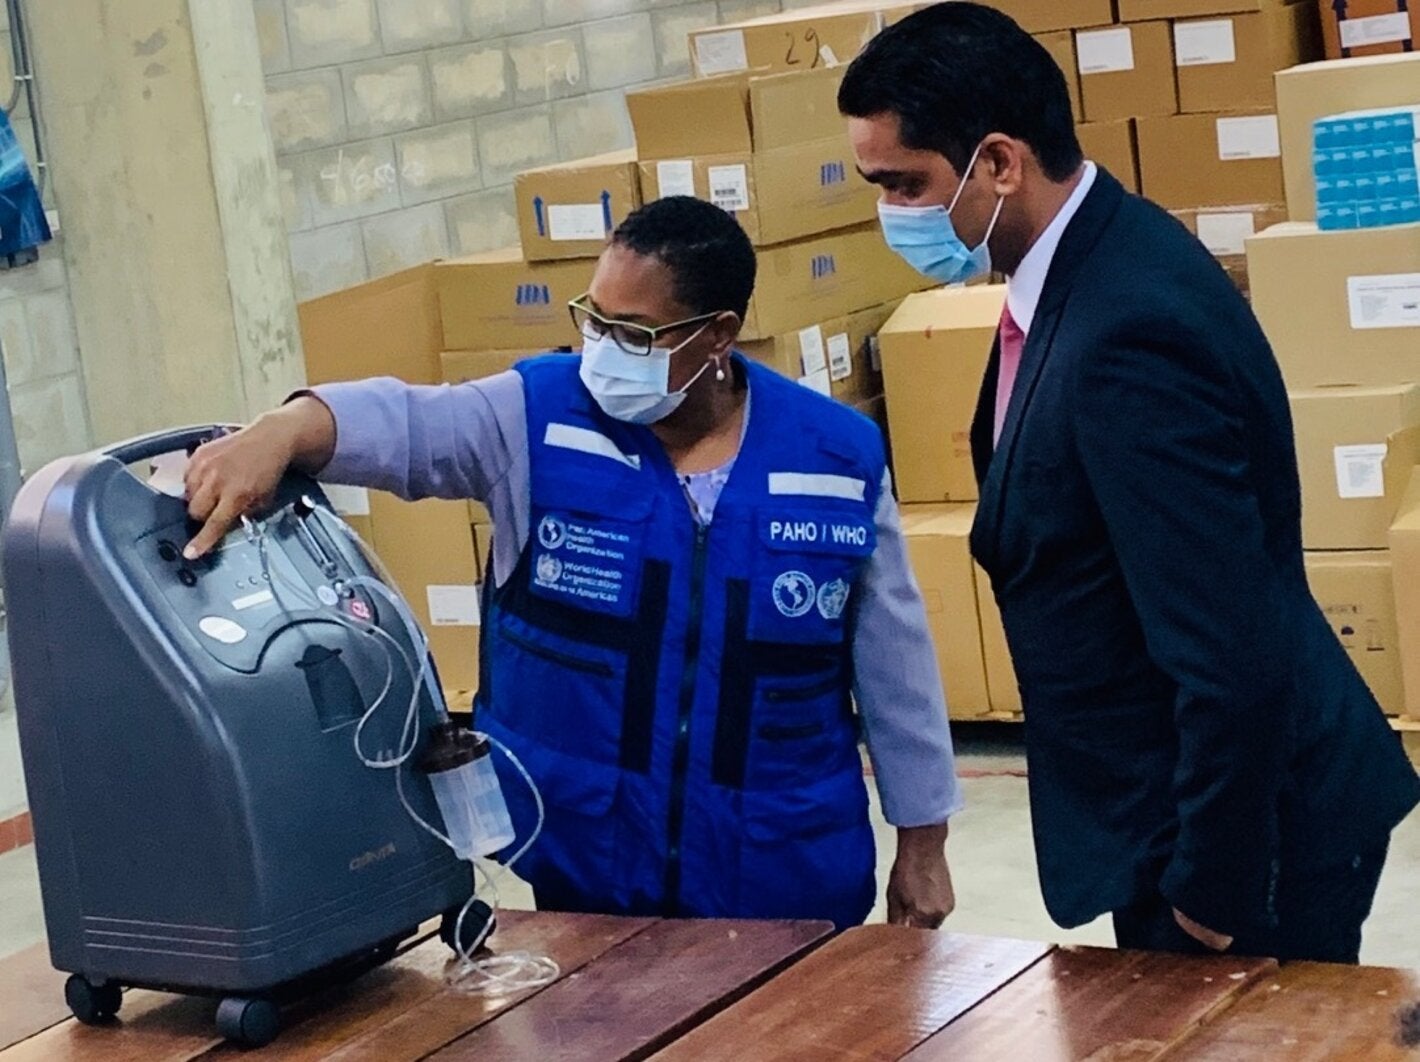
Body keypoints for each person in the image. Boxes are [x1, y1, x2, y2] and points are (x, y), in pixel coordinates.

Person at [182, 196, 962, 930]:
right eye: (593, 320)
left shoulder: (835, 456)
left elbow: (898, 673)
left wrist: (923, 845)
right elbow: (408, 426)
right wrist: (283, 429)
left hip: (785, 871)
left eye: (635, 333)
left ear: (718, 334)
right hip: (586, 869)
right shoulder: (533, 417)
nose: (602, 353)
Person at [839, 2, 1420, 962]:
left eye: (906, 183)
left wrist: (1212, 892)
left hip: (1238, 841)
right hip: (1175, 814)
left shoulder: (1125, 333)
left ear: (997, 163)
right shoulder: (1086, 264)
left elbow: (1224, 645)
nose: (891, 213)